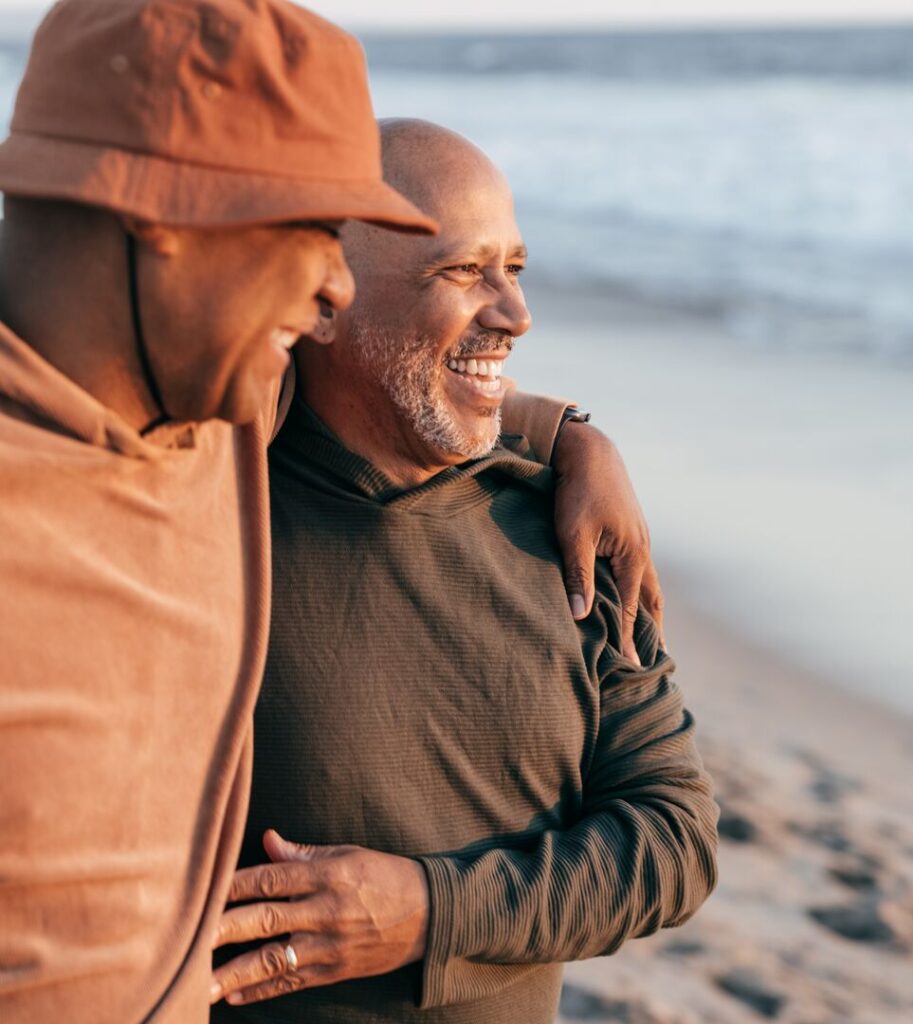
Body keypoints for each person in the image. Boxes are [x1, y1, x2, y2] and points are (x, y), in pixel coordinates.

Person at [0, 6, 660, 1024]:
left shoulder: (214, 412)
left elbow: (389, 378)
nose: (335, 289)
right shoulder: (213, 430)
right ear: (164, 222)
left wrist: (563, 429)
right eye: (314, 231)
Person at [209, 120, 718, 1024]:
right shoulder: (207, 520)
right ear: (324, 297)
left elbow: (673, 841)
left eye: (514, 268)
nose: (515, 313)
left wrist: (432, 914)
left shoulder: (570, 537)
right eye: (462, 271)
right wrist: (562, 424)